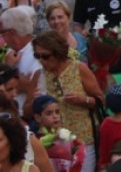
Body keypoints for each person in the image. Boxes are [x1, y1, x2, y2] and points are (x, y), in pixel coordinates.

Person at [32, 32, 103, 172]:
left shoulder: (79, 68)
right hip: (54, 142)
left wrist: (84, 99)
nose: (41, 60)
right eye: (37, 56)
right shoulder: (40, 75)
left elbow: (100, 99)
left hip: (82, 138)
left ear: (58, 53)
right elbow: (29, 109)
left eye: (45, 56)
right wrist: (35, 100)